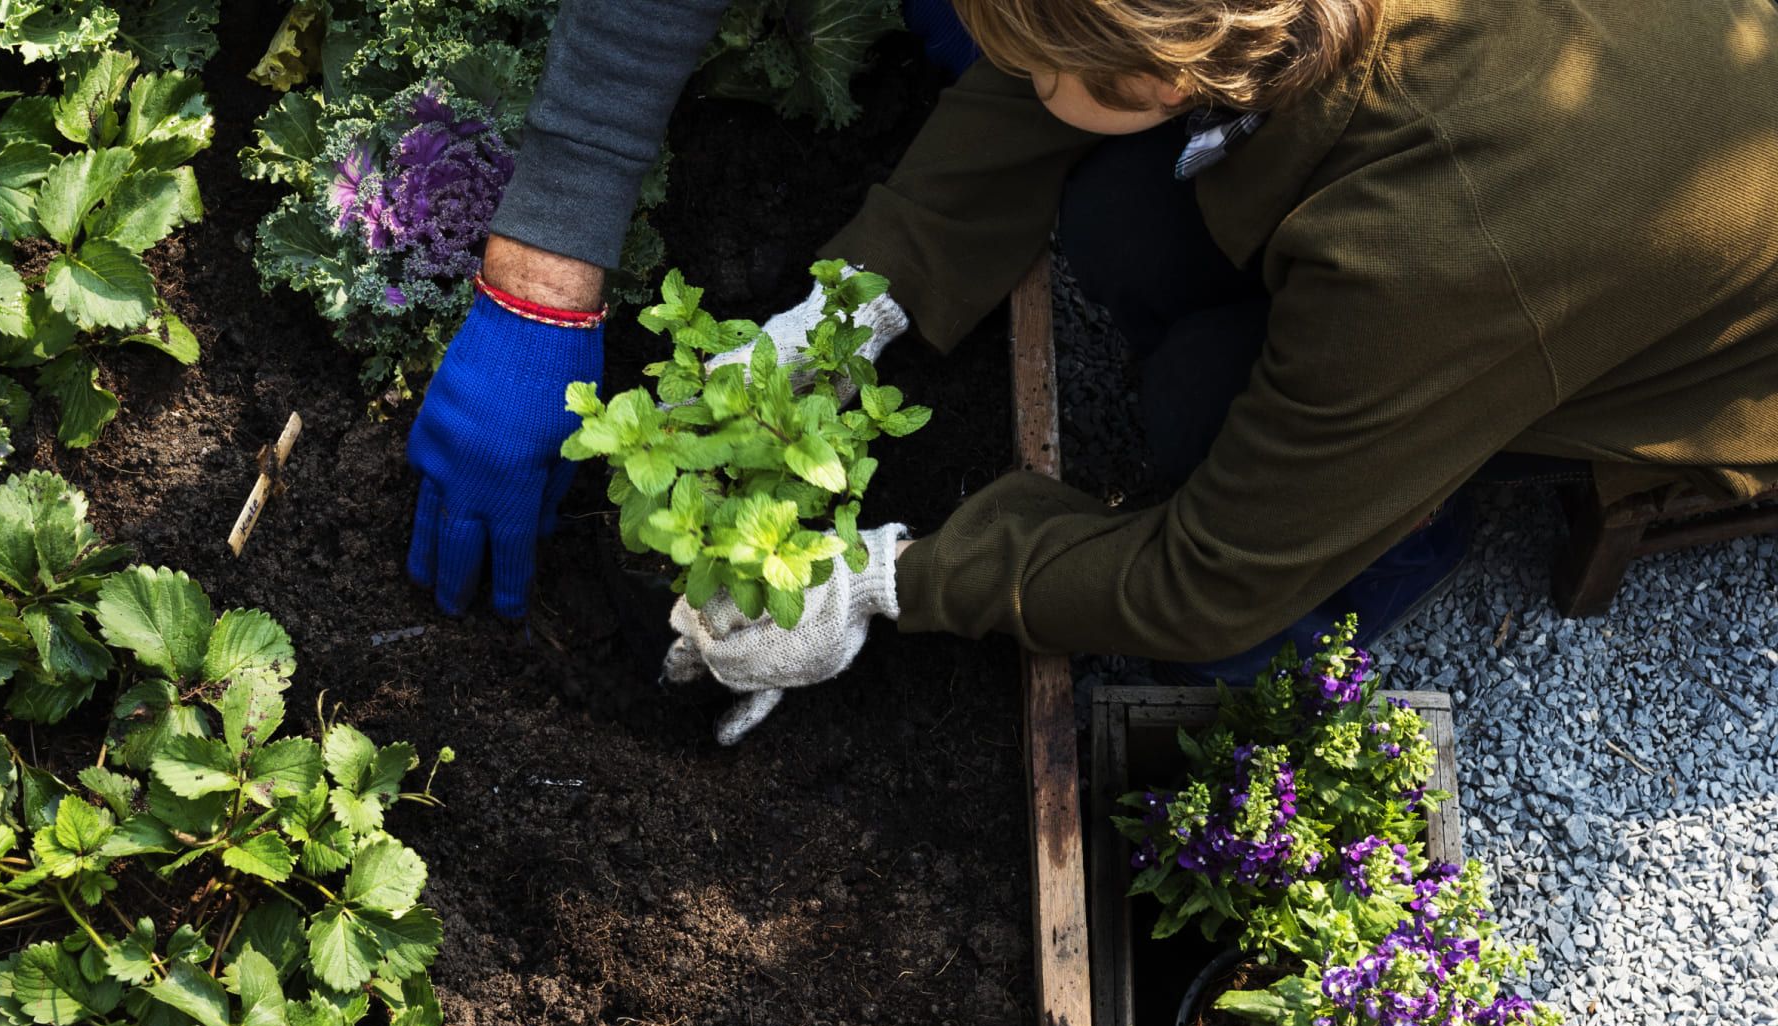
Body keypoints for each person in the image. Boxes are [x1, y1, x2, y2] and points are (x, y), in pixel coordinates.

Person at [406, 0, 1778, 744]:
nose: (1005, 57)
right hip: (1590, 139)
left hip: (1681, 332)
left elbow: (1198, 580)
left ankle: (1395, 528)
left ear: (1170, 78)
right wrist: (856, 307)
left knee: (1212, 472)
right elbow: (1046, 69)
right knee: (1120, 222)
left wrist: (885, 579)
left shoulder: (1443, 251)